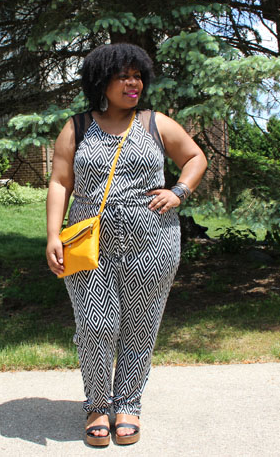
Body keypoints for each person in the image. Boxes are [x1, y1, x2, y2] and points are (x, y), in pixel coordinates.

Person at [45, 43, 207, 446]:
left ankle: (129, 404)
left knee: (140, 325)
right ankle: (98, 406)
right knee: (95, 324)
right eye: (123, 76)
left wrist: (179, 192)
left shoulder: (156, 123)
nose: (133, 83)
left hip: (153, 238)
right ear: (102, 82)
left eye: (137, 76)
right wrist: (52, 235)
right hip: (89, 240)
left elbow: (195, 158)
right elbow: (60, 182)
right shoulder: (77, 127)